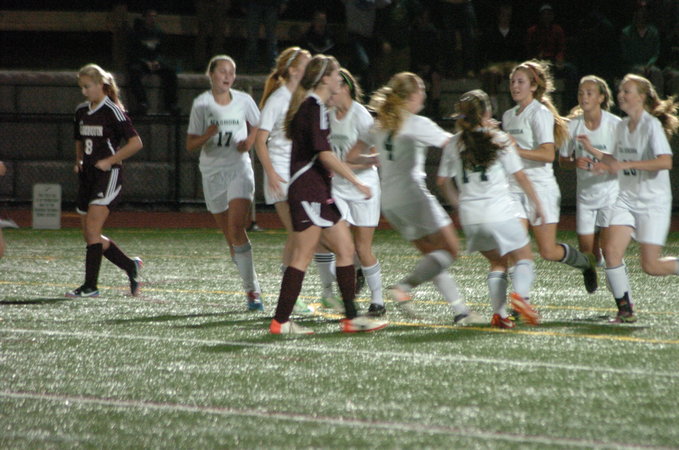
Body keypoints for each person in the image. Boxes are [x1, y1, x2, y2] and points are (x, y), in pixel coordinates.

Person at [348, 72, 484, 325]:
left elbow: (351, 157)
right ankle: (403, 287)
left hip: (390, 202)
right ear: (410, 95)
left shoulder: (379, 124)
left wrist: (375, 158)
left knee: (434, 257)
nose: (424, 93)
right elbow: (453, 144)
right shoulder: (417, 123)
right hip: (413, 196)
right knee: (450, 249)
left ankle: (461, 311)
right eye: (421, 88)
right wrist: (483, 132)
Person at [270, 54, 389, 334]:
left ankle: (351, 318)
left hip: (318, 192)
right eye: (336, 74)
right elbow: (325, 155)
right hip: (309, 192)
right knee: (302, 256)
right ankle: (281, 322)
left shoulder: (316, 107)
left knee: (346, 250)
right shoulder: (313, 108)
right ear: (325, 78)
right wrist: (356, 182)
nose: (340, 78)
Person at [576, 73, 679, 323]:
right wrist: (595, 156)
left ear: (641, 98)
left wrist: (625, 165)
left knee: (651, 266)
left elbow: (665, 162)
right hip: (626, 199)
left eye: (627, 91)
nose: (621, 95)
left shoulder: (651, 126)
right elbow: (616, 160)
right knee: (611, 251)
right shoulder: (622, 126)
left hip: (653, 201)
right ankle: (625, 310)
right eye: (621, 90)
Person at [437, 90, 543, 327]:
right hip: (499, 212)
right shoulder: (499, 138)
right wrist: (537, 203)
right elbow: (520, 176)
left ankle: (500, 315)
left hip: (471, 218)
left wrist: (458, 204)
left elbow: (442, 182)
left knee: (498, 263)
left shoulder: (454, 143)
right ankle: (521, 297)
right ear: (487, 112)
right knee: (524, 258)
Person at [502, 60, 598, 303]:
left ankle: (585, 262)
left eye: (520, 81)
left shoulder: (540, 114)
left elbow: (547, 155)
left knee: (548, 251)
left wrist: (515, 149)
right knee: (514, 246)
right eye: (512, 81)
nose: (515, 86)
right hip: (514, 188)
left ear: (534, 86)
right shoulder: (508, 115)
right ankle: (521, 304)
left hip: (540, 188)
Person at [187, 55, 264, 311]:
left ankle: (253, 291)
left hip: (239, 168)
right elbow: (190, 144)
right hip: (212, 172)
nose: (228, 76)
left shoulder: (244, 100)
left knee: (237, 227)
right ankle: (246, 274)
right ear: (211, 74)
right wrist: (207, 135)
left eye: (232, 71)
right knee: (230, 237)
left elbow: (259, 125)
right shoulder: (202, 104)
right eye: (222, 71)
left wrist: (249, 141)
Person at [66, 64, 143, 298]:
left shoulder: (112, 110)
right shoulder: (82, 111)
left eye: (87, 86)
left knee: (92, 230)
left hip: (108, 176)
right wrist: (79, 160)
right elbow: (79, 139)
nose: (84, 92)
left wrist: (110, 160)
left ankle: (90, 287)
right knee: (90, 235)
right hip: (88, 176)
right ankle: (130, 265)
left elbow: (136, 143)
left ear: (101, 85)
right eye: (82, 87)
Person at [254, 46, 314, 314]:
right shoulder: (279, 98)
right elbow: (260, 140)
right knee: (299, 234)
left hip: (298, 172)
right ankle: (290, 294)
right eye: (307, 64)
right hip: (281, 173)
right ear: (292, 70)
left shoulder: (304, 96)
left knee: (300, 234)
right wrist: (271, 173)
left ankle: (291, 292)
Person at [329, 68, 385, 316]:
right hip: (338, 188)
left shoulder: (361, 116)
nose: (330, 91)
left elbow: (375, 157)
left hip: (363, 187)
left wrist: (347, 166)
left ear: (347, 88)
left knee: (362, 248)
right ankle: (345, 299)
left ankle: (378, 301)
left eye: (334, 86)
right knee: (337, 243)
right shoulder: (327, 115)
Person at [559, 76, 621, 267]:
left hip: (611, 194)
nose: (584, 97)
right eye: (581, 93)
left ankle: (617, 280)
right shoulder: (572, 125)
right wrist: (574, 162)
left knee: (609, 251)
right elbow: (563, 161)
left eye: (589, 93)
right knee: (587, 257)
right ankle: (594, 266)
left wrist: (603, 163)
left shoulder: (615, 124)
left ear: (601, 97)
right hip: (585, 196)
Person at [126, 9, 179, 115]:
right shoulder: (136, 33)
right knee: (134, 73)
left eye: (154, 16)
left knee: (170, 73)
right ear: (145, 18)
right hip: (142, 63)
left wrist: (157, 61)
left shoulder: (159, 33)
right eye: (150, 16)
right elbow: (133, 52)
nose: (152, 19)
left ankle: (171, 104)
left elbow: (162, 51)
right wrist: (145, 62)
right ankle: (142, 103)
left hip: (155, 63)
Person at [620, 5, 664, 96]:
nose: (641, 19)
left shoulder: (653, 32)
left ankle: (657, 99)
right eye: (638, 16)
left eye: (643, 16)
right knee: (638, 72)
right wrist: (638, 65)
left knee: (656, 73)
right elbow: (625, 53)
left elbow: (656, 53)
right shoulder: (626, 33)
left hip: (649, 65)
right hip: (633, 65)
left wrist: (649, 64)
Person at [244, 0, 287, 72]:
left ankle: (272, 64)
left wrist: (283, 2)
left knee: (271, 36)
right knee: (253, 37)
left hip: (270, 4)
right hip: (254, 4)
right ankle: (252, 63)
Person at [194, 0, 231, 71]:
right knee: (203, 33)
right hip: (204, 4)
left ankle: (216, 63)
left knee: (218, 35)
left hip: (219, 4)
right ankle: (200, 63)